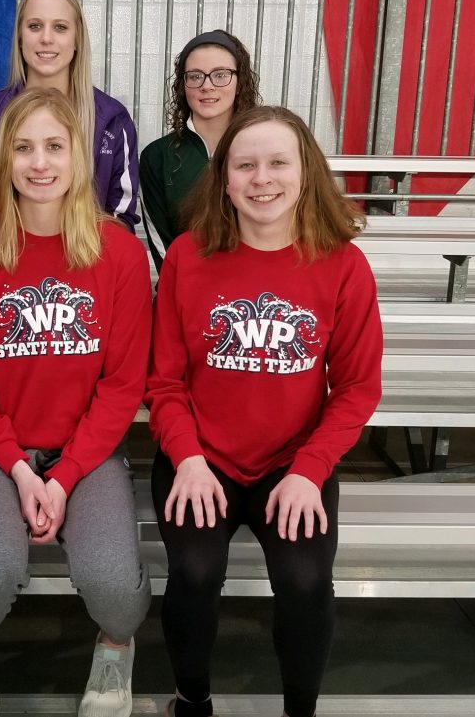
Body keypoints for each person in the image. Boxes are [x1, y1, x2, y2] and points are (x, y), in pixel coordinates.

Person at [146, 106, 383, 717]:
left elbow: (357, 388)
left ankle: (299, 710)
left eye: (279, 163)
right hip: (201, 458)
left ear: (306, 173)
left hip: (292, 464)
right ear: (223, 179)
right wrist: (188, 460)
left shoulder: (343, 265)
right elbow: (164, 382)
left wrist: (310, 470)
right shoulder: (188, 257)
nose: (262, 179)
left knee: (306, 583)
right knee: (195, 573)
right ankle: (191, 700)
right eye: (244, 165)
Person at [0, 88, 151, 717]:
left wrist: (64, 476)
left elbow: (121, 386)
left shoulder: (120, 253)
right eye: (23, 148)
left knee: (114, 585)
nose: (39, 163)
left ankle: (115, 649)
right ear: (2, 160)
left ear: (78, 155)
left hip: (88, 450)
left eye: (54, 146)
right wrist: (22, 469)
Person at [0, 0, 139, 234]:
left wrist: (71, 254)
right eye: (35, 26)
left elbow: (120, 222)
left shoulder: (112, 120)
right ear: (20, 37)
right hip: (4, 258)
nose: (46, 38)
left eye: (60, 27)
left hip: (86, 257)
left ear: (77, 39)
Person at [140, 29, 260, 273]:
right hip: (184, 285)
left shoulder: (263, 151)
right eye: (195, 76)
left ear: (240, 83)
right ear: (182, 85)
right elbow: (162, 244)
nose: (207, 86)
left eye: (220, 75)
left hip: (255, 288)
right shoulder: (157, 157)